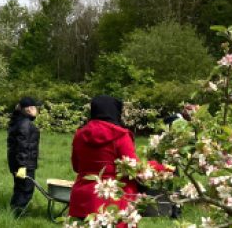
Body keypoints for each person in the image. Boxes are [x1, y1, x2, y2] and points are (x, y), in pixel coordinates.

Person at [69, 95, 169, 225]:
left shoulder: (80, 135)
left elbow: (76, 167)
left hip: (83, 197)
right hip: (114, 197)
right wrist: (161, 167)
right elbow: (134, 167)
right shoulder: (120, 135)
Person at [7, 97, 41, 216]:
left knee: (19, 189)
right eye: (35, 107)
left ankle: (13, 213)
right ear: (29, 109)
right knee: (26, 190)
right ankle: (18, 215)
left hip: (18, 162)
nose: (37, 110)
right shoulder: (25, 124)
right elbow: (22, 146)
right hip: (24, 163)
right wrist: (22, 166)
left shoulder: (18, 121)